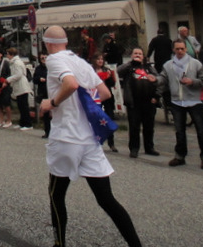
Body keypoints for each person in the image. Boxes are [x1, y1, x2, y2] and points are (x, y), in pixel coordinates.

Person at [39, 25, 142, 247]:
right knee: (106, 199)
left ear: (47, 43)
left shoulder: (54, 60)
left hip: (66, 137)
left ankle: (59, 243)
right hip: (89, 139)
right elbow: (104, 93)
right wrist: (84, 106)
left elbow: (70, 84)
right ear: (66, 41)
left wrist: (52, 103)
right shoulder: (81, 62)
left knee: (56, 194)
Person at [158, 39, 203, 169]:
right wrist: (155, 80)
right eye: (177, 49)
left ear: (186, 49)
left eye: (182, 48)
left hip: (194, 100)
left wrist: (192, 82)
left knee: (201, 130)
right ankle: (180, 156)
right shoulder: (168, 65)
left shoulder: (195, 63)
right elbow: (163, 78)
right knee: (179, 131)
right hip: (177, 101)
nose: (180, 51)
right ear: (173, 50)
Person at [116, 47, 159, 158]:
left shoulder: (149, 68)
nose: (138, 55)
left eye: (140, 53)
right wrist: (131, 63)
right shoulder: (129, 67)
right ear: (131, 55)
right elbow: (117, 71)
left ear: (143, 56)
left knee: (149, 126)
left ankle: (149, 147)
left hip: (148, 101)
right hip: (134, 102)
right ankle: (134, 148)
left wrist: (156, 96)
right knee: (134, 127)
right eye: (135, 53)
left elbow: (158, 80)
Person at [90, 52, 118, 152]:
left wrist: (110, 77)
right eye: (98, 59)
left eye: (102, 59)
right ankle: (95, 141)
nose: (100, 61)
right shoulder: (91, 70)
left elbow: (112, 84)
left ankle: (111, 143)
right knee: (96, 119)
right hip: (95, 97)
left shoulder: (107, 70)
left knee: (109, 118)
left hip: (107, 98)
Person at [7, 47, 33, 130]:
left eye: (8, 54)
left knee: (24, 105)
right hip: (18, 86)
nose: (7, 56)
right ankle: (22, 123)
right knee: (20, 105)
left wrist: (9, 79)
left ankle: (28, 124)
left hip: (22, 86)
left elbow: (19, 74)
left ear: (11, 55)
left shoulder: (17, 63)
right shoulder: (14, 62)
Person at [33, 51, 51, 138]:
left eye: (45, 58)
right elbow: (34, 79)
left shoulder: (52, 67)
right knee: (45, 113)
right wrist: (40, 79)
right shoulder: (38, 68)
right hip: (43, 92)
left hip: (52, 92)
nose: (44, 60)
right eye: (42, 58)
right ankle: (47, 131)